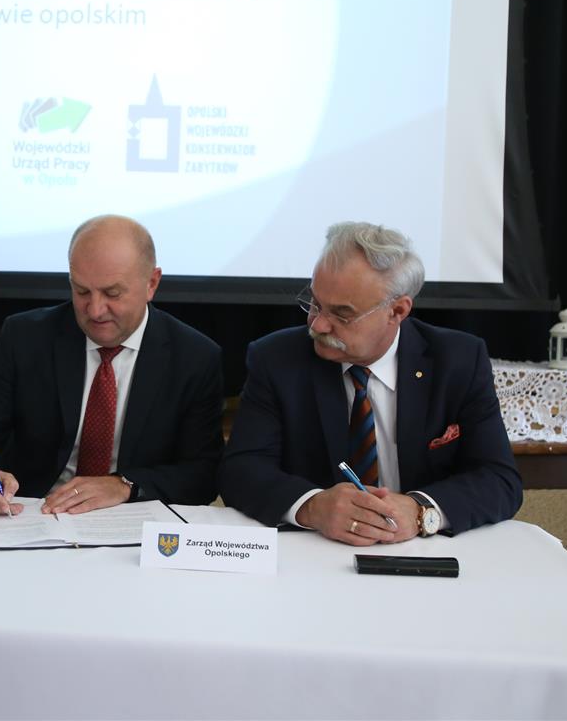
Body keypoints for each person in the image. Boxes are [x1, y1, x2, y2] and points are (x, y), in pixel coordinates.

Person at [219, 221, 521, 544]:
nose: (318, 324)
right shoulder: (277, 359)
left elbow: (499, 479)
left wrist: (420, 511)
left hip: (423, 551)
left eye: (341, 314)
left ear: (397, 310)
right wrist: (312, 506)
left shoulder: (458, 361)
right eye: (315, 303)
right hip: (315, 551)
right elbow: (241, 470)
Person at [0, 215, 223, 515]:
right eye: (82, 291)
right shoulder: (25, 338)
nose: (95, 310)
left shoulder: (194, 357)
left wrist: (125, 485)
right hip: (35, 514)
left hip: (132, 517)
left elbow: (203, 474)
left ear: (151, 283)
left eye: (112, 293)